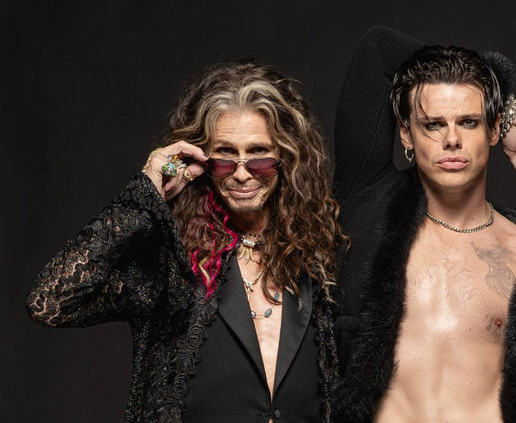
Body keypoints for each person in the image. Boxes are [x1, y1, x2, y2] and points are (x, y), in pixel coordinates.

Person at [26, 62, 342, 422]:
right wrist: (145, 195)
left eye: (259, 155)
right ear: (203, 159)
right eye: (225, 156)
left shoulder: (316, 253)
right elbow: (49, 302)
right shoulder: (174, 260)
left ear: (286, 157)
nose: (241, 173)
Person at [331, 27, 516, 422]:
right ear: (406, 133)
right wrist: (510, 104)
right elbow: (376, 50)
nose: (451, 139)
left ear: (492, 129)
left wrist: (498, 106)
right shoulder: (370, 208)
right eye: (433, 124)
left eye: (468, 122)